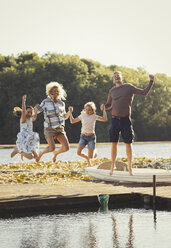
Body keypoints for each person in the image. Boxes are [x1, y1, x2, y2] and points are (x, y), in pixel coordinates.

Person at [103, 71, 154, 176]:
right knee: (113, 144)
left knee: (128, 144)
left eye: (118, 76)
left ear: (122, 78)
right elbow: (109, 104)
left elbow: (143, 92)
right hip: (114, 120)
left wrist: (151, 81)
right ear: (113, 80)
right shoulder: (112, 91)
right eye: (115, 77)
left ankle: (130, 168)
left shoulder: (128, 87)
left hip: (125, 120)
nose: (117, 78)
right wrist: (104, 106)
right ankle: (112, 167)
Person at [36, 82, 72, 162]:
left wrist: (69, 112)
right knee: (51, 148)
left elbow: (64, 117)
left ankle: (56, 153)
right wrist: (36, 108)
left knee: (66, 148)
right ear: (50, 92)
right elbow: (38, 111)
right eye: (53, 91)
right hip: (49, 128)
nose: (55, 93)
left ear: (59, 92)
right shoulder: (46, 102)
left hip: (59, 128)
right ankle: (40, 153)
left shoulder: (62, 103)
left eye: (57, 91)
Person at [69, 102, 107, 166]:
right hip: (83, 137)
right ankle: (88, 158)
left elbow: (104, 119)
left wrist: (104, 110)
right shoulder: (82, 116)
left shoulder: (94, 116)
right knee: (78, 152)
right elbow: (72, 121)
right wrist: (70, 112)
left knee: (91, 157)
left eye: (89, 110)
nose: (87, 111)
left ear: (93, 110)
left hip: (91, 137)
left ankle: (90, 161)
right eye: (86, 109)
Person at [11, 94, 39, 160]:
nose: (29, 114)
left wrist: (36, 109)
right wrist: (23, 102)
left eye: (30, 112)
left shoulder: (30, 119)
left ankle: (21, 151)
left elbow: (34, 117)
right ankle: (20, 151)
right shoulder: (23, 119)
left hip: (30, 138)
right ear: (25, 112)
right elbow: (23, 111)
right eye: (28, 112)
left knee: (36, 155)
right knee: (31, 157)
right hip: (24, 138)